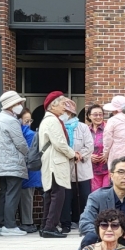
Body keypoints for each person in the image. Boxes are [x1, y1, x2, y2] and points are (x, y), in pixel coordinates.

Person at [39, 92, 80, 238]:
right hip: (55, 162)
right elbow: (60, 143)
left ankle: (45, 226)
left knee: (51, 195)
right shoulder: (53, 120)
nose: (65, 107)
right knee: (57, 194)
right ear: (53, 105)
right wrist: (73, 154)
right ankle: (50, 227)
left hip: (51, 161)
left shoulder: (49, 119)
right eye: (63, 104)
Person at [0, 90, 29, 236]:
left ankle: (1, 224)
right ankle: (10, 225)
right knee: (12, 194)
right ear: (11, 105)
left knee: (4, 193)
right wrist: (28, 154)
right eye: (18, 103)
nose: (20, 106)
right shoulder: (11, 120)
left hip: (0, 164)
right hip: (12, 163)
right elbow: (20, 143)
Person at [60, 99, 93, 234]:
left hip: (81, 167)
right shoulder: (59, 127)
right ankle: (65, 223)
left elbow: (89, 145)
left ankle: (84, 222)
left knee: (84, 196)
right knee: (65, 197)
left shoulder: (83, 127)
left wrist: (80, 154)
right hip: (65, 167)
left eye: (65, 111)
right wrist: (70, 154)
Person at [19, 108, 41, 233]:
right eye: (26, 121)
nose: (28, 123)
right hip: (31, 170)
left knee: (26, 196)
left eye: (30, 120)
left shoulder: (25, 134)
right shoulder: (31, 134)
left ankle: (27, 222)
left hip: (26, 169)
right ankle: (28, 222)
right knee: (27, 197)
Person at [87, 104, 109, 192]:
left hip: (108, 168)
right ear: (89, 116)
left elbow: (117, 145)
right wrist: (89, 156)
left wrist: (108, 154)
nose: (98, 117)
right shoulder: (86, 130)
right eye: (95, 115)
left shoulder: (108, 128)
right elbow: (80, 147)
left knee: (106, 193)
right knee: (95, 194)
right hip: (92, 170)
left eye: (100, 114)